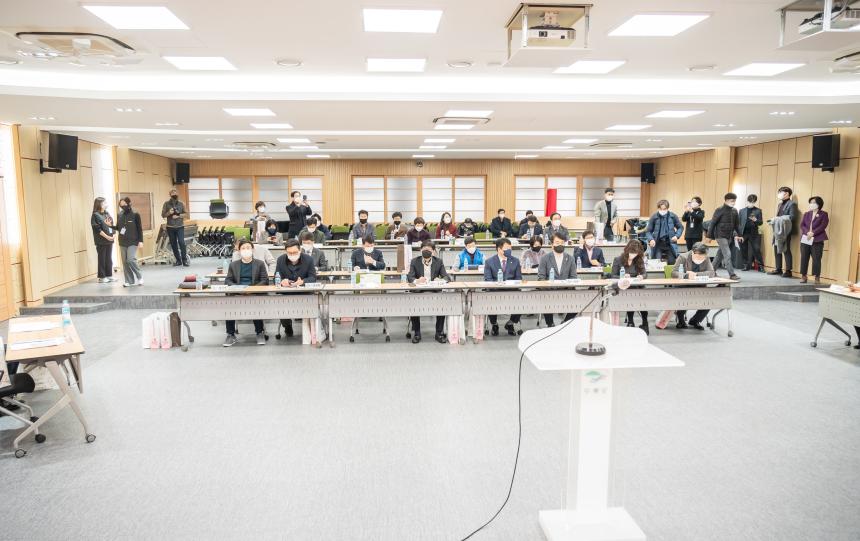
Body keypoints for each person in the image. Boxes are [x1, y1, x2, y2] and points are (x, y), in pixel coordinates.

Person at [223, 240, 269, 347]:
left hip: (254, 293)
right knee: (229, 307)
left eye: (248, 247)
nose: (246, 250)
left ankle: (259, 332)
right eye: (243, 248)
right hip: (238, 293)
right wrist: (238, 289)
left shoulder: (260, 263)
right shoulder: (233, 265)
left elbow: (264, 280)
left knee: (255, 306)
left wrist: (252, 290)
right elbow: (228, 280)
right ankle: (230, 334)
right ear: (239, 251)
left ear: (252, 249)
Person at [407, 240, 451, 344]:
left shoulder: (438, 261)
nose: (426, 251)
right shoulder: (414, 261)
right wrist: (417, 280)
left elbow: (446, 277)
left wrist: (440, 280)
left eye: (429, 250)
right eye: (424, 249)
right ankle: (417, 333)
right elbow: (410, 277)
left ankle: (439, 333)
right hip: (418, 291)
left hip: (434, 291)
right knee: (414, 306)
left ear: (433, 251)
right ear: (420, 250)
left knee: (442, 306)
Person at [275, 238, 318, 337]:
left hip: (304, 293)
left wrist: (302, 281)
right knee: (281, 306)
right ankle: (287, 325)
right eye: (289, 253)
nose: (292, 255)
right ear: (285, 252)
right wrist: (282, 281)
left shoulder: (308, 259)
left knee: (310, 306)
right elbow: (276, 277)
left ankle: (309, 328)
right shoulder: (281, 260)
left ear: (300, 250)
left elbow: (313, 278)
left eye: (294, 252)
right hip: (286, 294)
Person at [671, 242, 716, 330]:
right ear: (693, 252)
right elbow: (674, 273)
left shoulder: (706, 258)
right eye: (698, 257)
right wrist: (686, 275)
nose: (700, 259)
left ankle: (695, 320)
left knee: (709, 301)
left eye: (702, 257)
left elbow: (711, 273)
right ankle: (681, 320)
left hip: (699, 286)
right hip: (683, 286)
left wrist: (696, 274)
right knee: (684, 299)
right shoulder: (683, 257)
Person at [483, 238, 522, 335]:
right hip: (495, 291)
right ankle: (494, 324)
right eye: (507, 248)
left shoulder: (515, 261)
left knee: (522, 299)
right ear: (499, 249)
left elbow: (518, 278)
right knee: (489, 299)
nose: (509, 250)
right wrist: (497, 284)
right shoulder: (489, 261)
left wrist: (510, 284)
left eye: (510, 248)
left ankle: (511, 323)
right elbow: (488, 279)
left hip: (511, 290)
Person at [538, 232, 578, 326]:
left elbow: (573, 277)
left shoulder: (570, 258)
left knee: (578, 303)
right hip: (549, 292)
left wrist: (566, 286)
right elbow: (541, 278)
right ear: (552, 245)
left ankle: (565, 323)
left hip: (566, 291)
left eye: (562, 242)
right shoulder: (545, 258)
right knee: (546, 301)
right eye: (557, 242)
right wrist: (549, 286)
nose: (560, 245)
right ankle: (550, 324)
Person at [611, 240, 649, 335]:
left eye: (635, 253)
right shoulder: (618, 259)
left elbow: (645, 273)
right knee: (631, 296)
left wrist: (641, 276)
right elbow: (613, 275)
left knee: (642, 298)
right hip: (623, 287)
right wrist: (622, 277)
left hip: (636, 286)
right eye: (631, 252)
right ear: (627, 250)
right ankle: (630, 321)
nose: (633, 255)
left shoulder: (639, 259)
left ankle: (645, 323)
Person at [708, 192, 742, 281]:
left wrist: (740, 235)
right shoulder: (719, 210)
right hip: (720, 236)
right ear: (726, 200)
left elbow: (737, 225)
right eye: (732, 201)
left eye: (734, 201)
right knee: (727, 254)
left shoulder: (735, 211)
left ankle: (711, 272)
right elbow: (712, 223)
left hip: (729, 236)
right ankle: (732, 274)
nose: (734, 203)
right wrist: (709, 236)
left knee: (719, 255)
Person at [768, 186, 798, 278]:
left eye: (781, 192)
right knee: (776, 248)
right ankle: (778, 269)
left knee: (785, 249)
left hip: (786, 230)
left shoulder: (792, 204)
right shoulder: (779, 204)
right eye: (779, 192)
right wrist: (774, 220)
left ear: (787, 194)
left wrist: (778, 219)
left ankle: (788, 271)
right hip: (777, 229)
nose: (780, 194)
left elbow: (792, 217)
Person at [799, 196, 829, 285]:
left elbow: (823, 225)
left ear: (819, 204)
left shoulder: (823, 214)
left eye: (814, 202)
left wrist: (813, 233)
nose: (811, 204)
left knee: (817, 259)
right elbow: (802, 225)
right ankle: (804, 276)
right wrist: (807, 232)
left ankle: (817, 277)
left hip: (817, 239)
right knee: (804, 257)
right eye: (810, 202)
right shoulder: (806, 214)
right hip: (806, 238)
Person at [116, 196, 143, 287]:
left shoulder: (135, 214)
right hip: (122, 241)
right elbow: (118, 228)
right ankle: (129, 281)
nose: (122, 206)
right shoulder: (119, 214)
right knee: (125, 262)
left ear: (129, 203)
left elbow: (139, 229)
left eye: (124, 203)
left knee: (130, 259)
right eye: (121, 204)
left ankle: (139, 276)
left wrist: (141, 241)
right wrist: (110, 225)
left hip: (133, 241)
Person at [646, 200, 683, 265]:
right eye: (661, 209)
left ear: (667, 208)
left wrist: (677, 236)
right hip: (657, 243)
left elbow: (680, 227)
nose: (662, 211)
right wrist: (651, 239)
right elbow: (648, 231)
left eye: (664, 209)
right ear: (658, 208)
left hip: (670, 243)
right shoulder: (654, 217)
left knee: (672, 262)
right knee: (657, 262)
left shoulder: (673, 216)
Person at [91, 197, 116, 283]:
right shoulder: (95, 215)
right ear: (99, 204)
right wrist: (107, 237)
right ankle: (102, 277)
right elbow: (97, 229)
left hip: (110, 240)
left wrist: (113, 235)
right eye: (104, 203)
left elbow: (111, 225)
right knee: (102, 259)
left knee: (109, 258)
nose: (106, 204)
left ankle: (109, 275)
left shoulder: (107, 213)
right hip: (101, 241)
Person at [161, 188, 188, 266]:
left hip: (180, 226)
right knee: (173, 244)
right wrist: (169, 212)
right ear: (170, 195)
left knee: (181, 242)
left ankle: (184, 260)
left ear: (177, 194)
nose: (174, 194)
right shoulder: (166, 204)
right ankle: (178, 260)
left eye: (175, 193)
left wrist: (178, 216)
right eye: (172, 193)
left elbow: (186, 214)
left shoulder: (181, 203)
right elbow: (163, 215)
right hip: (170, 227)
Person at [738, 194, 764, 272]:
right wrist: (738, 234)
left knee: (756, 249)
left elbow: (760, 223)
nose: (751, 203)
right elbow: (738, 223)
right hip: (743, 233)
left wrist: (755, 220)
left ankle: (760, 266)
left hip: (754, 233)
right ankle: (746, 265)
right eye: (750, 202)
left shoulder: (758, 210)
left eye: (753, 202)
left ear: (755, 202)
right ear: (747, 201)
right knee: (743, 249)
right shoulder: (742, 211)